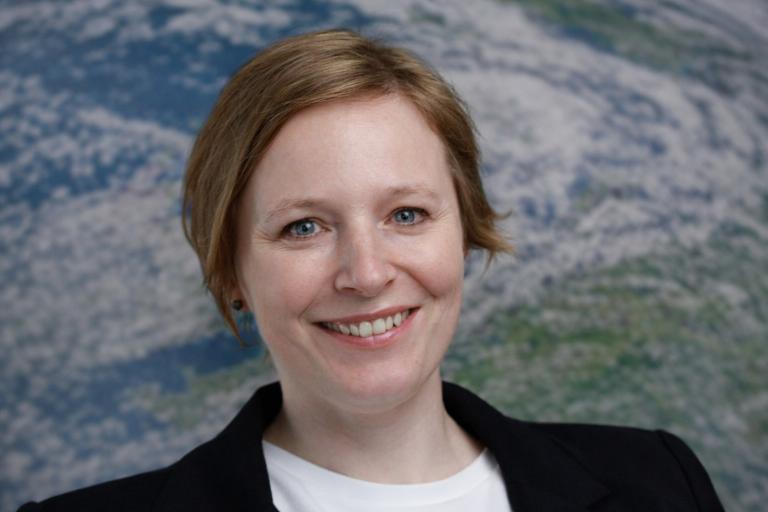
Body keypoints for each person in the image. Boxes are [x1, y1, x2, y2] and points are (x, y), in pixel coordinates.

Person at [19, 29, 724, 512]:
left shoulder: (661, 484)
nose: (365, 272)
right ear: (232, 270)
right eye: (304, 227)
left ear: (466, 229)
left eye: (407, 215)